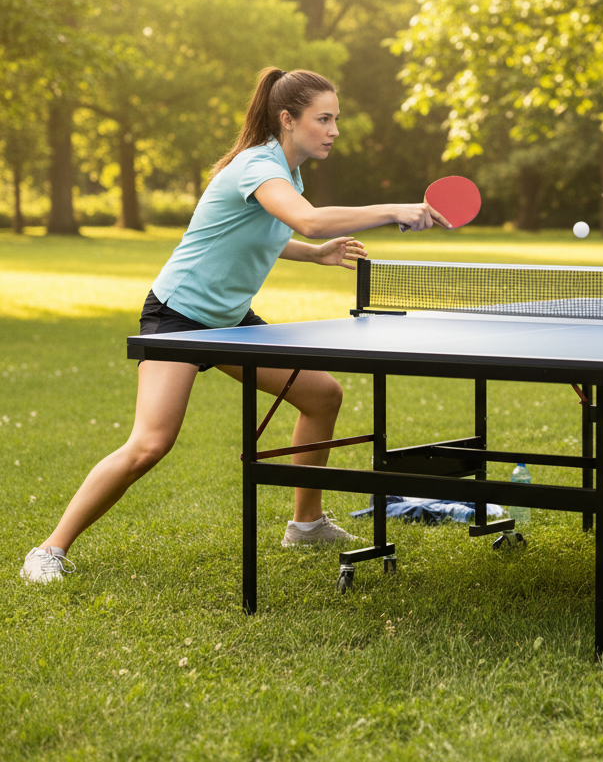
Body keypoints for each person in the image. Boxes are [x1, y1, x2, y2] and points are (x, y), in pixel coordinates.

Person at [21, 67, 451, 584]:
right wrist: (393, 210)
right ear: (287, 120)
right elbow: (307, 218)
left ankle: (306, 523)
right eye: (324, 119)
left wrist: (313, 256)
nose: (334, 130)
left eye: (336, 119)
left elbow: (256, 233)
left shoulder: (287, 173)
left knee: (321, 396)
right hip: (179, 316)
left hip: (228, 321)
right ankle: (48, 549)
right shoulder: (257, 165)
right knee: (150, 443)